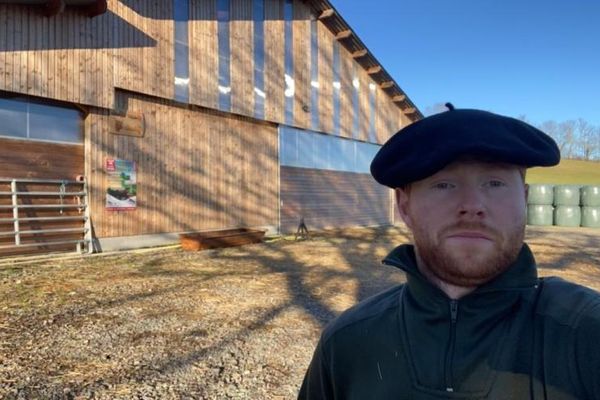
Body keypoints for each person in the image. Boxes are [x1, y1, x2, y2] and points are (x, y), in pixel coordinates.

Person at [298, 104, 600, 400]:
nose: (472, 205)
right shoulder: (345, 345)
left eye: (494, 183)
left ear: (524, 199)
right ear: (405, 206)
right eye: (444, 184)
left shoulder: (587, 335)